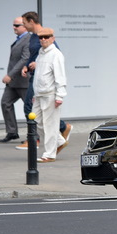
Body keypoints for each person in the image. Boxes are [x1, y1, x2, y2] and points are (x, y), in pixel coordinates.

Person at [17, 11, 72, 149]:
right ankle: (61, 131)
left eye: (24, 23)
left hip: (44, 79)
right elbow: (35, 55)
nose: (23, 26)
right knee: (37, 113)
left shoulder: (44, 35)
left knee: (30, 109)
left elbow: (54, 55)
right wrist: (27, 66)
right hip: (36, 77)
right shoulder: (33, 37)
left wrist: (38, 64)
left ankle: (34, 139)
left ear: (31, 21)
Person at [31, 28, 68, 162]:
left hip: (50, 94)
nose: (43, 39)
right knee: (37, 121)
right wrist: (35, 93)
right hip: (40, 94)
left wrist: (60, 96)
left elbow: (60, 76)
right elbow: (38, 76)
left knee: (50, 124)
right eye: (41, 37)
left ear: (53, 38)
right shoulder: (41, 53)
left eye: (46, 37)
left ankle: (50, 154)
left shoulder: (56, 54)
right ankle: (59, 141)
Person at [0, 17, 31, 143]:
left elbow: (24, 59)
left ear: (24, 26)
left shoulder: (28, 39)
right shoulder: (19, 39)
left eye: (17, 25)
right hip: (13, 83)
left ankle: (34, 136)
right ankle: (12, 132)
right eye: (13, 25)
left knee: (29, 109)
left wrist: (10, 75)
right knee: (5, 103)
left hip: (23, 81)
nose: (14, 27)